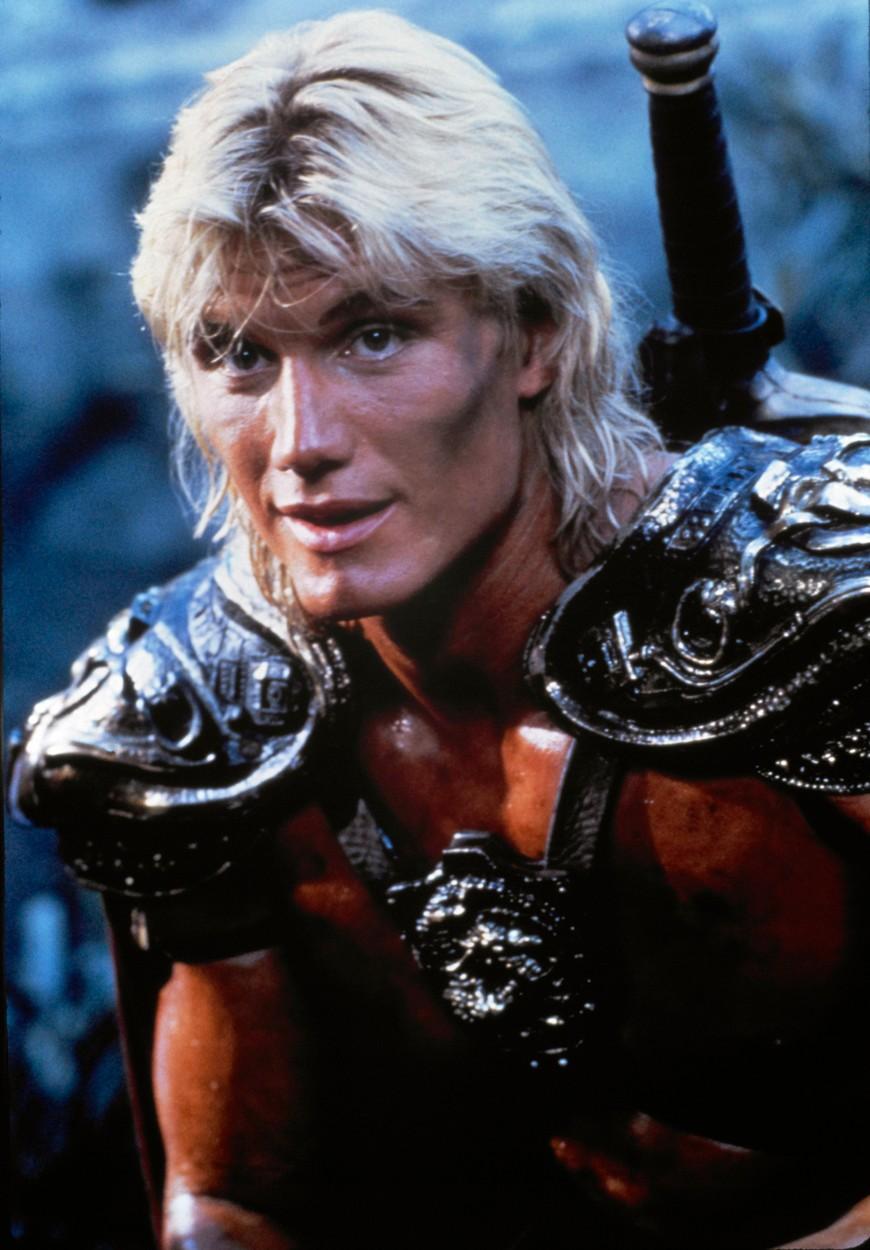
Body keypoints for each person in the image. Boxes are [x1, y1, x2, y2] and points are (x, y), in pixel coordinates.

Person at [9, 10, 870, 1249]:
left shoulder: (817, 618)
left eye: (374, 335)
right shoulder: (206, 715)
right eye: (238, 354)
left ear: (535, 333)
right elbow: (239, 1199)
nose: (301, 442)